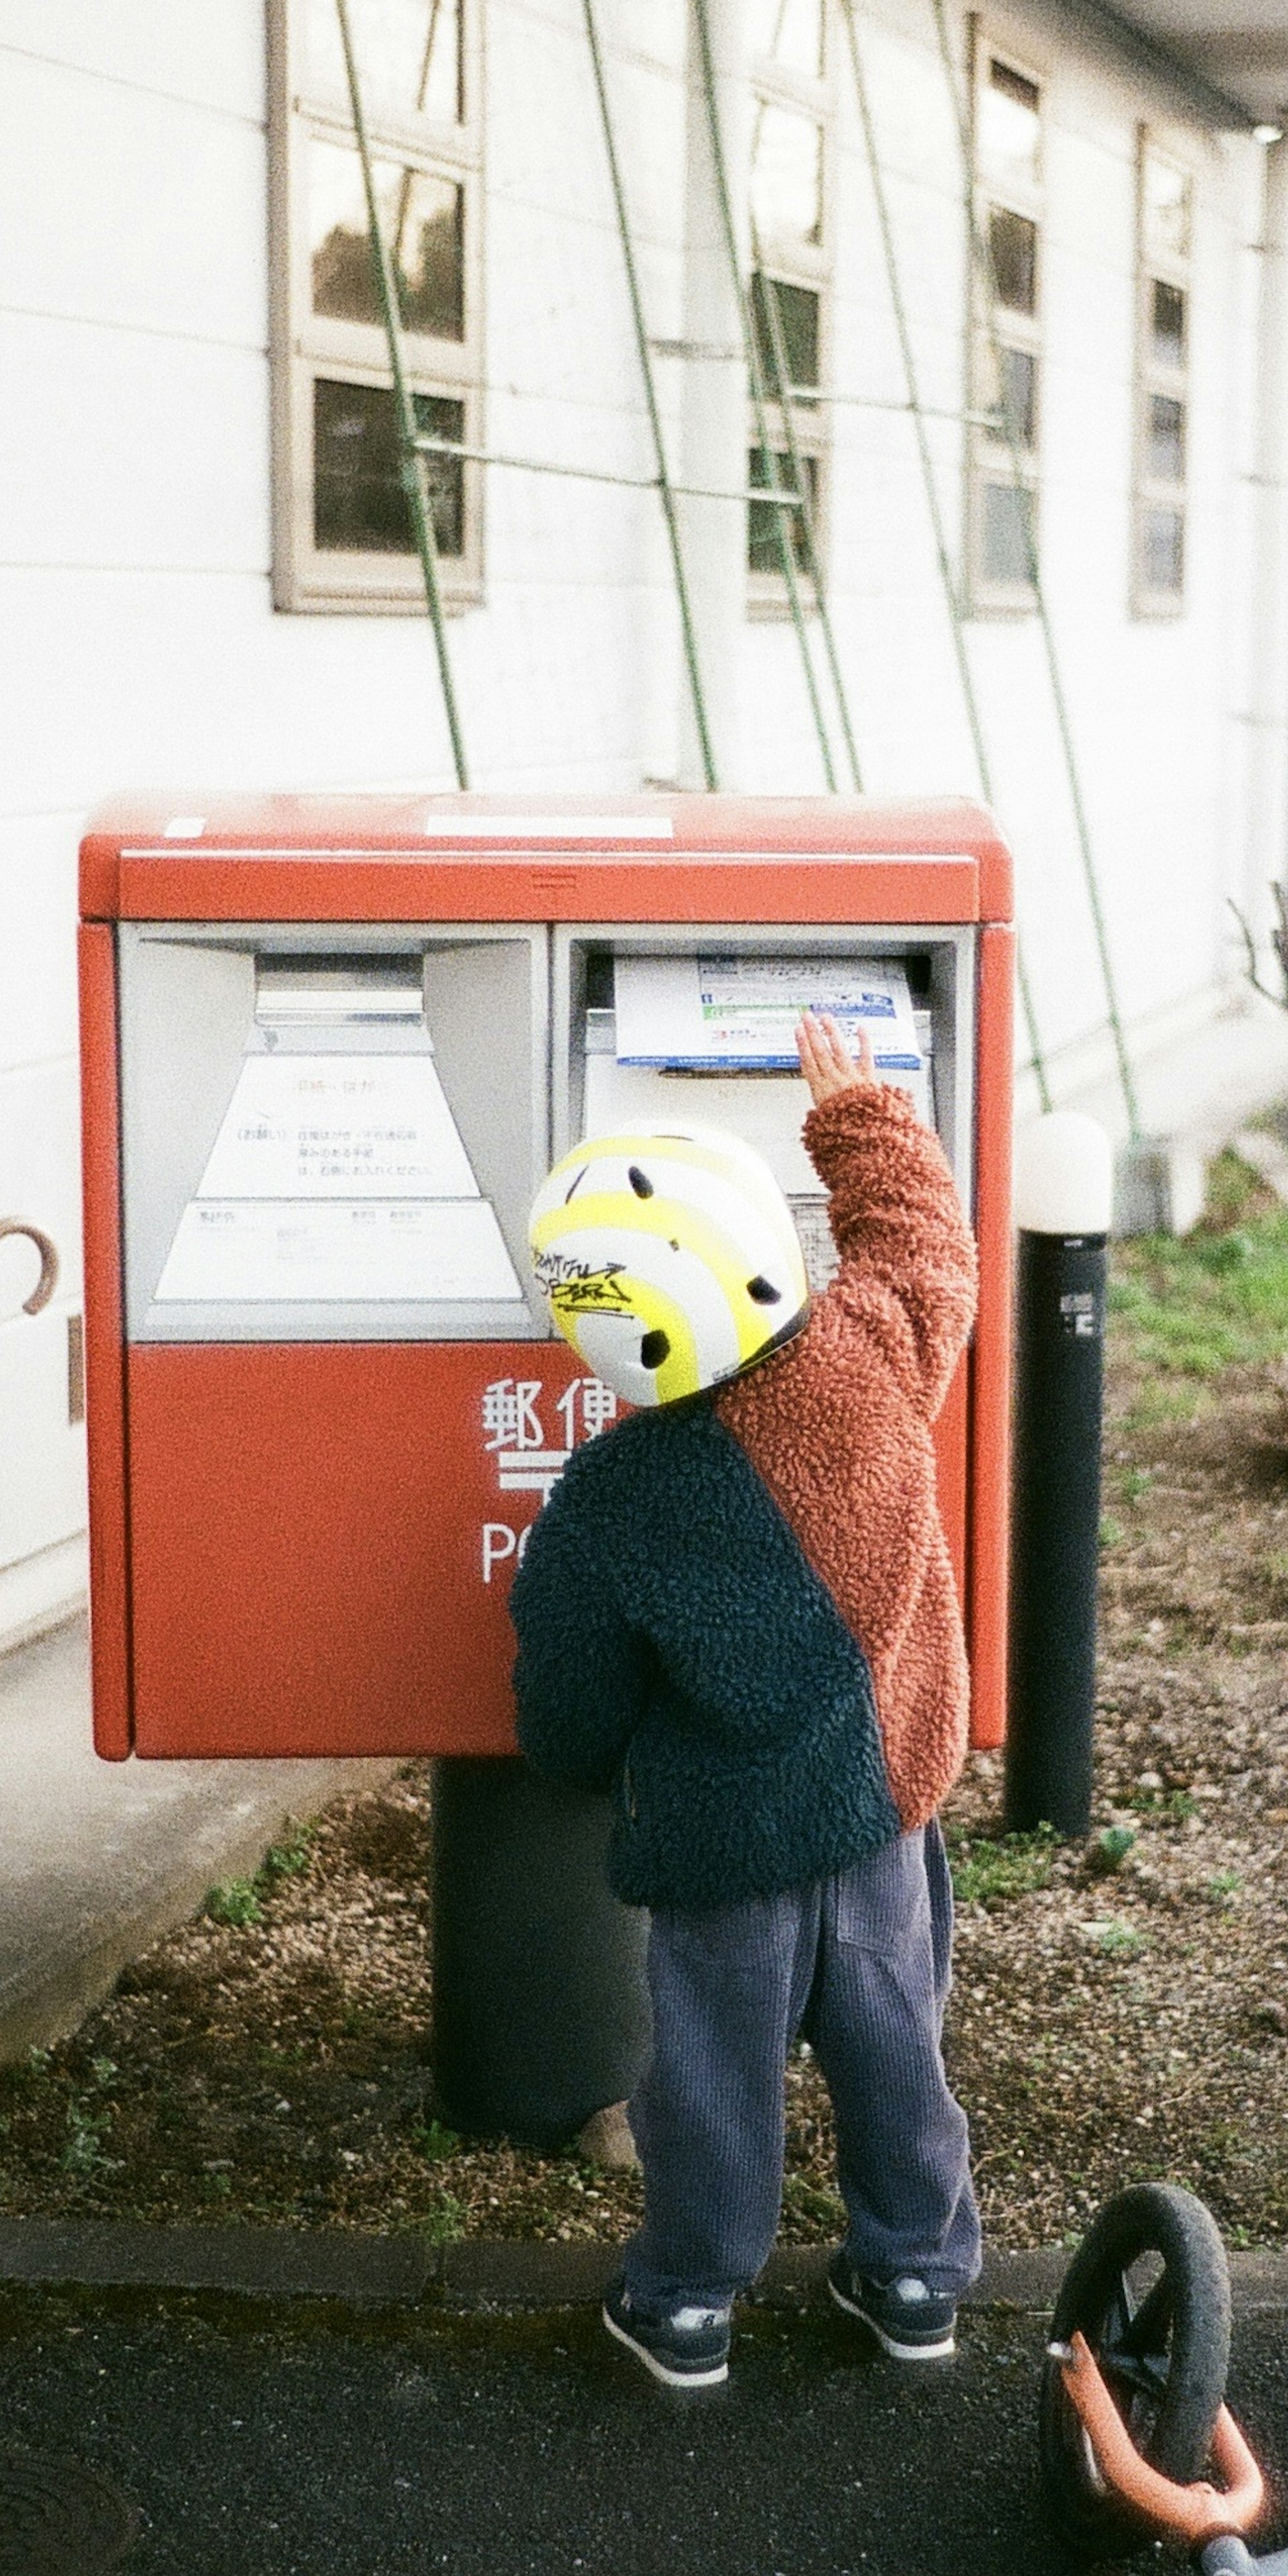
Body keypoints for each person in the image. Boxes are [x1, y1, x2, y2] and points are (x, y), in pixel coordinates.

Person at [510, 1010, 982, 2389]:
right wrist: (863, 1118)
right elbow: (925, 1250)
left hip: (721, 1853)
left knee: (712, 2079)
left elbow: (570, 1707)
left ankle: (690, 2303)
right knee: (898, 2043)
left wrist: (594, 1763)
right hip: (883, 1811)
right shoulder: (871, 1354)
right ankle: (911, 2274)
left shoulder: (608, 1504)